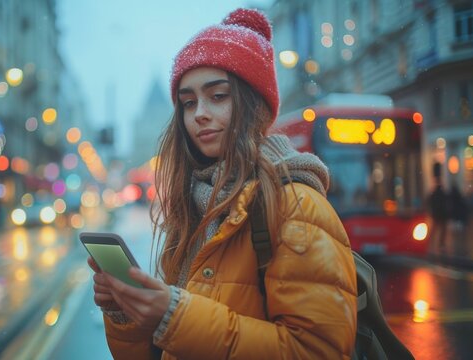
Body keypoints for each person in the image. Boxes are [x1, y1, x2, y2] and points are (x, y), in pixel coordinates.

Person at [88, 8, 357, 359]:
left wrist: (175, 314)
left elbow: (317, 351)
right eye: (188, 102)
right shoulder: (191, 207)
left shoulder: (297, 205)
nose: (199, 112)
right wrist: (127, 312)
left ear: (252, 104)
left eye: (218, 96)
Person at [428, 182, 448, 254]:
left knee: (434, 230)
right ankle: (441, 244)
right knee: (442, 230)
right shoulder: (443, 194)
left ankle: (431, 243)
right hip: (442, 215)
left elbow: (429, 202)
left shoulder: (433, 194)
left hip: (436, 214)